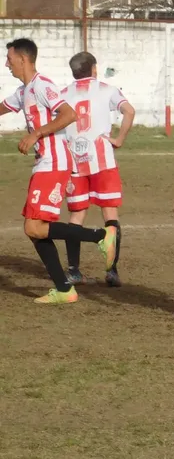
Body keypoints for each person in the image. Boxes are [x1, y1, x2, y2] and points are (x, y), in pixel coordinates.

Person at [0, 38, 116, 303]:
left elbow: (68, 114)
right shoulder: (23, 91)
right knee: (33, 229)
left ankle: (101, 236)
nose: (6, 63)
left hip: (55, 163)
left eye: (9, 58)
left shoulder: (43, 86)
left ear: (23, 59)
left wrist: (36, 133)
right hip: (44, 164)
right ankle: (64, 289)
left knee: (34, 226)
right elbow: (2, 108)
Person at [60, 51, 135, 287]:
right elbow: (129, 111)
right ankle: (112, 271)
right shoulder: (107, 89)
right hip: (102, 159)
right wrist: (120, 138)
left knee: (76, 215)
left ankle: (73, 271)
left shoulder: (62, 95)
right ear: (93, 68)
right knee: (109, 213)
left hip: (74, 161)